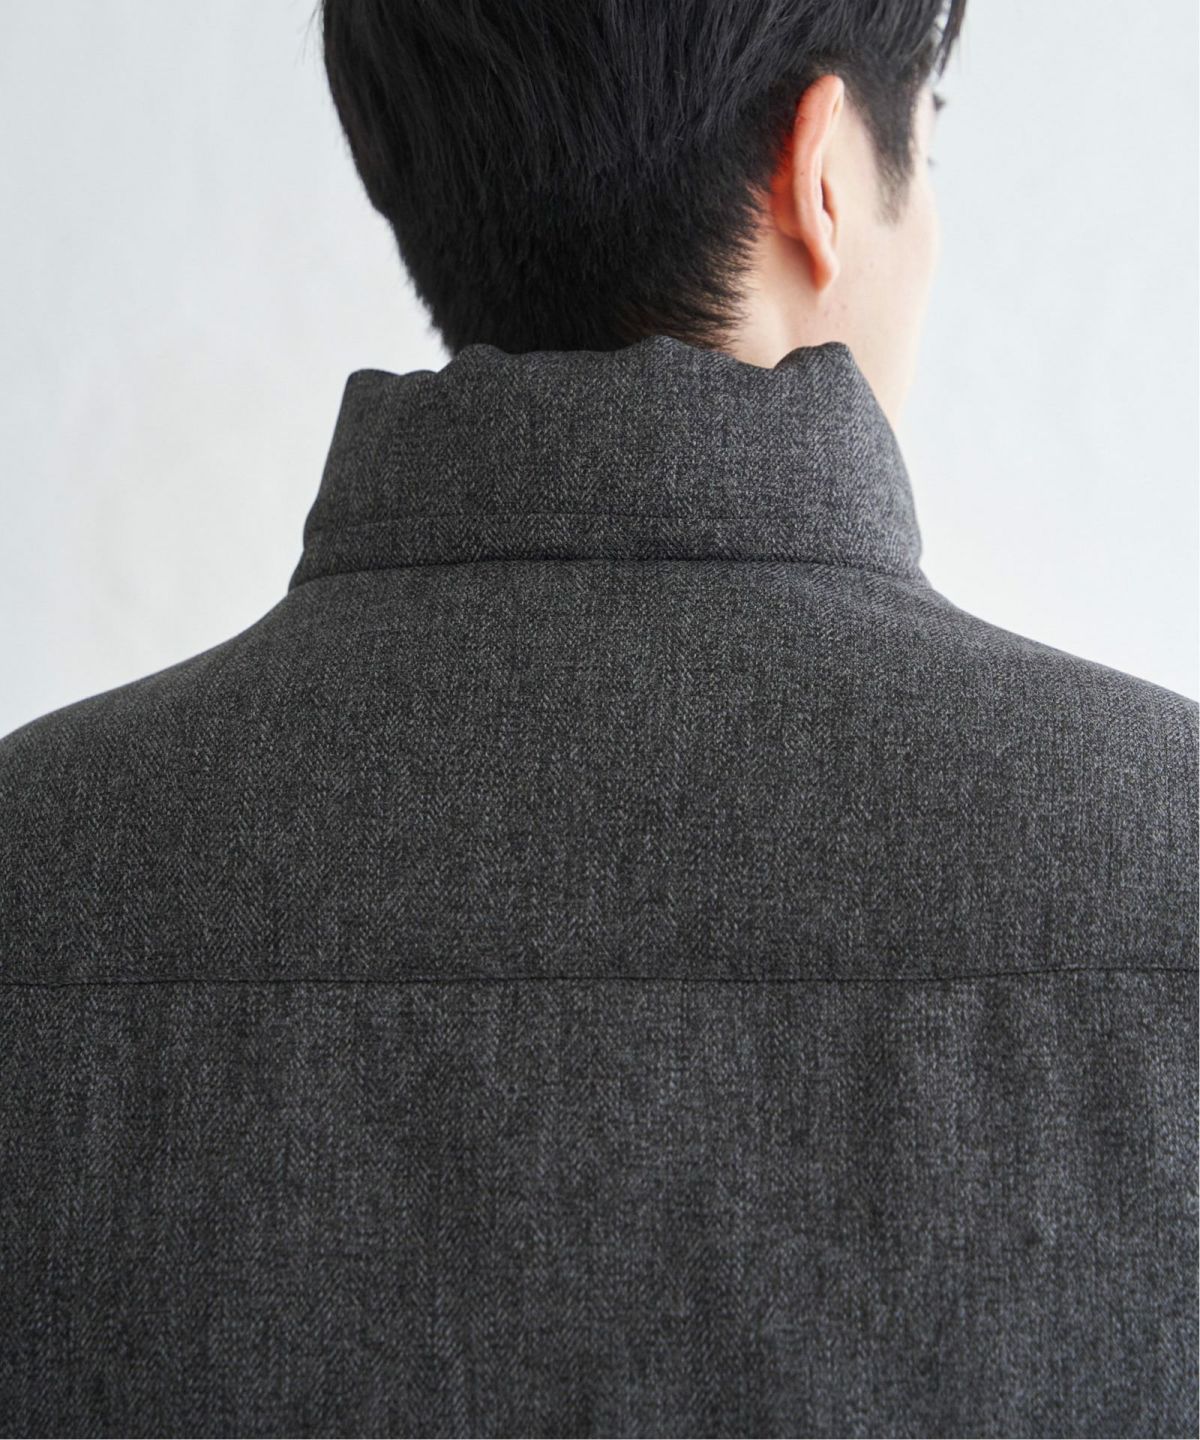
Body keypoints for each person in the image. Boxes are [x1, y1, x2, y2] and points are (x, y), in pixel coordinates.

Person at [1, 2, 1195, 1436]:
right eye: (924, 151)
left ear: (399, 165)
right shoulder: (1169, 848)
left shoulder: (36, 860)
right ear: (821, 172)